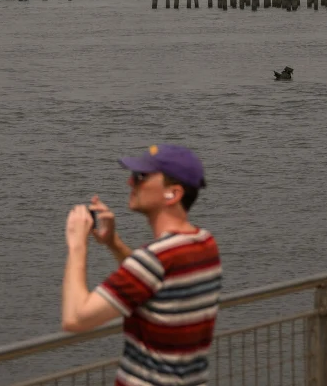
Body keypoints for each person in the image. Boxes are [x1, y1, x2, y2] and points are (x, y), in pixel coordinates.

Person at [61, 144, 222, 386]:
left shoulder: (153, 259)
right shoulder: (205, 243)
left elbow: (75, 318)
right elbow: (156, 283)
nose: (130, 183)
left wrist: (77, 246)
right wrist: (113, 243)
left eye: (141, 177)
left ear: (173, 194)